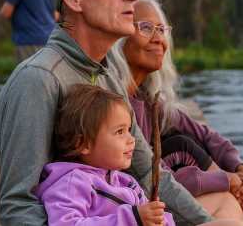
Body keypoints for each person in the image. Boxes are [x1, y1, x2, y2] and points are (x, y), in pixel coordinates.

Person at [0, 0, 225, 226]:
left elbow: (148, 174)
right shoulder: (38, 80)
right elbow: (18, 207)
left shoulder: (109, 77)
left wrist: (205, 223)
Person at [110, 0, 243, 226]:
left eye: (161, 30)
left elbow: (206, 135)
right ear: (119, 37)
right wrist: (226, 179)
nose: (158, 38)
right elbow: (155, 180)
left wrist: (241, 170)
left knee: (191, 148)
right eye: (145, 27)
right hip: (136, 211)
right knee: (227, 200)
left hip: (158, 201)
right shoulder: (115, 106)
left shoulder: (147, 99)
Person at [35, 84, 173, 226]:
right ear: (83, 143)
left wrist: (159, 219)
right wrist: (133, 218)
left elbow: (148, 216)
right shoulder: (72, 184)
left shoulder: (127, 182)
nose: (131, 139)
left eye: (129, 129)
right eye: (120, 131)